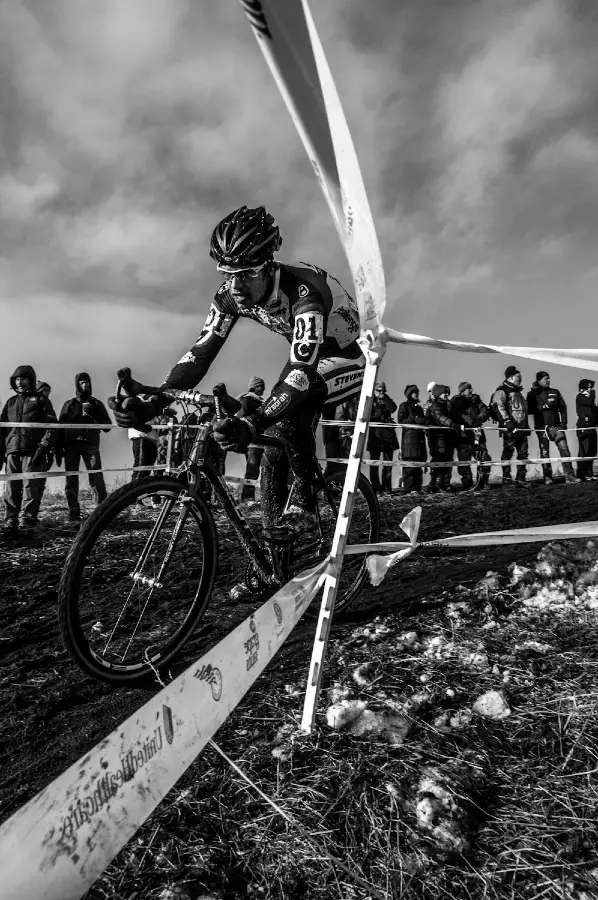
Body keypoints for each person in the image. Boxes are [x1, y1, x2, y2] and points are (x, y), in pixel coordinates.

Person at [109, 205, 366, 600]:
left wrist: (253, 422)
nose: (236, 287)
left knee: (290, 404)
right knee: (269, 461)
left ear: (268, 265)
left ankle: (304, 503)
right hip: (309, 360)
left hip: (346, 357)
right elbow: (200, 354)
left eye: (246, 274)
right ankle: (267, 569)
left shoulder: (304, 292)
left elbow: (300, 374)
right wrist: (154, 401)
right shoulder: (230, 296)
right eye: (227, 275)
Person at [0, 365, 56, 538]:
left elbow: (52, 425)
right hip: (12, 452)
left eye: (23, 378)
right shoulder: (10, 402)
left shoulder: (41, 400)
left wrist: (44, 447)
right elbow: (2, 429)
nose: (20, 382)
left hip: (33, 452)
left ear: (31, 380)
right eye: (17, 379)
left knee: (30, 488)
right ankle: (10, 523)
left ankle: (27, 522)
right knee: (11, 488)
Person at [57, 372, 112, 521]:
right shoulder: (69, 404)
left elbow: (107, 427)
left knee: (96, 476)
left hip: (90, 444)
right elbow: (60, 427)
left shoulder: (96, 403)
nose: (85, 385)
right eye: (81, 382)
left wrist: (93, 414)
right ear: (77, 385)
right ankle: (73, 512)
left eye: (87, 382)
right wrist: (58, 448)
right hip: (71, 445)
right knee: (71, 479)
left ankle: (101, 512)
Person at [527, 371, 580, 485]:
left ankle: (569, 476)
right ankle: (548, 477)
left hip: (556, 427)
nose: (549, 380)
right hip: (542, 428)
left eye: (549, 378)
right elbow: (530, 410)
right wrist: (544, 406)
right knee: (545, 452)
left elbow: (563, 407)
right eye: (546, 378)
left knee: (564, 449)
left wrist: (563, 423)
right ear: (539, 380)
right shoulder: (532, 394)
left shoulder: (555, 392)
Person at [489, 366, 530, 487]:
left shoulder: (518, 392)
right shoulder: (502, 390)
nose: (521, 378)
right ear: (511, 377)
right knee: (508, 452)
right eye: (518, 376)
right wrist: (507, 421)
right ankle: (506, 479)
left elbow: (523, 410)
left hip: (522, 428)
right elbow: (499, 405)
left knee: (523, 453)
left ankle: (521, 478)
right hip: (510, 429)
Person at [450, 382, 491, 490]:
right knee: (464, 462)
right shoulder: (456, 402)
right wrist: (470, 422)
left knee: (484, 458)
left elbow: (485, 411)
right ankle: (468, 484)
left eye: (471, 388)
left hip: (478, 435)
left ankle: (482, 482)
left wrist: (478, 419)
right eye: (469, 389)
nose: (471, 391)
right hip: (464, 437)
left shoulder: (476, 400)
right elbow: (457, 415)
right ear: (463, 391)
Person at [425, 384, 459, 493]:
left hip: (448, 437)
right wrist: (452, 424)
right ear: (439, 394)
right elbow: (440, 418)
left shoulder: (448, 405)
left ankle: (445, 484)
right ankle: (434, 484)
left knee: (448, 460)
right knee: (438, 460)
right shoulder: (435, 406)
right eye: (444, 393)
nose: (447, 395)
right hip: (437, 438)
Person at [236, 376, 266, 500]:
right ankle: (247, 497)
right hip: (252, 441)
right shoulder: (247, 401)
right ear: (256, 387)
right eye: (262, 386)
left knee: (258, 470)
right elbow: (242, 419)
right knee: (252, 469)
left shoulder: (259, 402)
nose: (264, 389)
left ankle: (252, 497)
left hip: (261, 440)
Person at [367, 382, 399, 493]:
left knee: (388, 464)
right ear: (374, 390)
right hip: (375, 436)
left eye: (383, 391)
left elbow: (393, 408)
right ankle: (376, 488)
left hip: (388, 437)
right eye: (379, 390)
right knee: (374, 464)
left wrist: (385, 399)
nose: (381, 393)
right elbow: (367, 416)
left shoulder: (386, 400)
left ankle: (386, 488)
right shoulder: (370, 401)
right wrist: (380, 417)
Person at [397, 385, 427, 492]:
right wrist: (414, 419)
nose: (417, 394)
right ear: (409, 394)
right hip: (408, 440)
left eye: (417, 392)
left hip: (419, 440)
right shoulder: (404, 405)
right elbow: (400, 420)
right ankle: (409, 489)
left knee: (417, 466)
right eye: (414, 392)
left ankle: (417, 488)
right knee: (409, 465)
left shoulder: (419, 408)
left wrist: (424, 420)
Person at [575, 378, 597, 482]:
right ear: (583, 387)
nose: (591, 389)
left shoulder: (590, 400)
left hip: (592, 428)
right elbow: (590, 401)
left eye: (591, 387)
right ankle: (581, 474)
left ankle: (589, 473)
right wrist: (592, 394)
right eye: (589, 387)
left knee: (592, 451)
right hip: (583, 427)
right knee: (584, 450)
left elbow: (594, 412)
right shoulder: (580, 397)